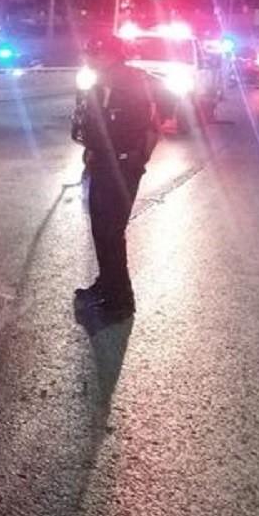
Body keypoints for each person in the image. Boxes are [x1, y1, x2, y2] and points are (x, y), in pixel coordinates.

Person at [72, 34, 159, 320]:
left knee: (111, 230)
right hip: (102, 162)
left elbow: (148, 125)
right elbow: (94, 120)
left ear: (107, 54)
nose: (87, 58)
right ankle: (107, 284)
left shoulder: (131, 81)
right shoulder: (100, 79)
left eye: (91, 53)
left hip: (121, 165)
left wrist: (135, 159)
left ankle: (120, 297)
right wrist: (92, 150)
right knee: (100, 227)